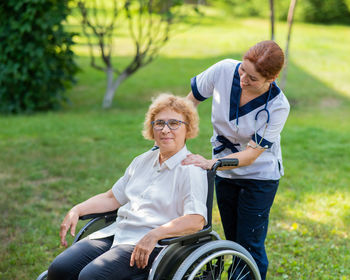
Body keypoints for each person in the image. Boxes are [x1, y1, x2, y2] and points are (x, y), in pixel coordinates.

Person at [47, 93, 208, 280]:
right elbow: (111, 198)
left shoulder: (191, 170)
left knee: (90, 277)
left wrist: (155, 234)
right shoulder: (142, 161)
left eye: (174, 123)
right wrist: (77, 209)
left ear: (188, 129)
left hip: (154, 246)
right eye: (159, 123)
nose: (165, 130)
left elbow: (196, 220)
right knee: (59, 269)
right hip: (118, 232)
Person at [182, 40, 290, 280]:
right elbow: (188, 104)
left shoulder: (278, 106)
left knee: (249, 243)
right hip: (224, 173)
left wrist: (214, 164)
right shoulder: (222, 70)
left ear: (271, 79)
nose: (243, 79)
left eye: (252, 78)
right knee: (232, 239)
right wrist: (173, 131)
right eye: (243, 70)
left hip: (260, 178)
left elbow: (251, 155)